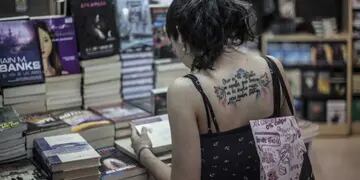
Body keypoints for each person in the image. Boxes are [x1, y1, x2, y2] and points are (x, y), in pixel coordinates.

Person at [131, 0, 314, 180]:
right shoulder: (273, 67)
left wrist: (143, 152)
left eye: (172, 42)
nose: (174, 50)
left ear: (180, 34)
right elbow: (292, 153)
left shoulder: (186, 91)